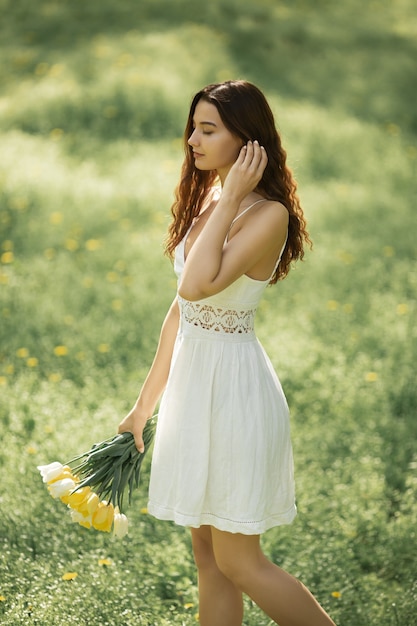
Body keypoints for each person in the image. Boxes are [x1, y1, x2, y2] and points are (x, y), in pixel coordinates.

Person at [118, 80, 336, 626]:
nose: (192, 139)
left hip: (234, 394)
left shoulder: (267, 216)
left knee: (241, 561)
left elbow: (196, 286)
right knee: (209, 561)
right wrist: (143, 408)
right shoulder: (214, 200)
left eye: (208, 129)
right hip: (195, 389)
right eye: (193, 126)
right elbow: (180, 313)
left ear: (248, 142)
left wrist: (235, 196)